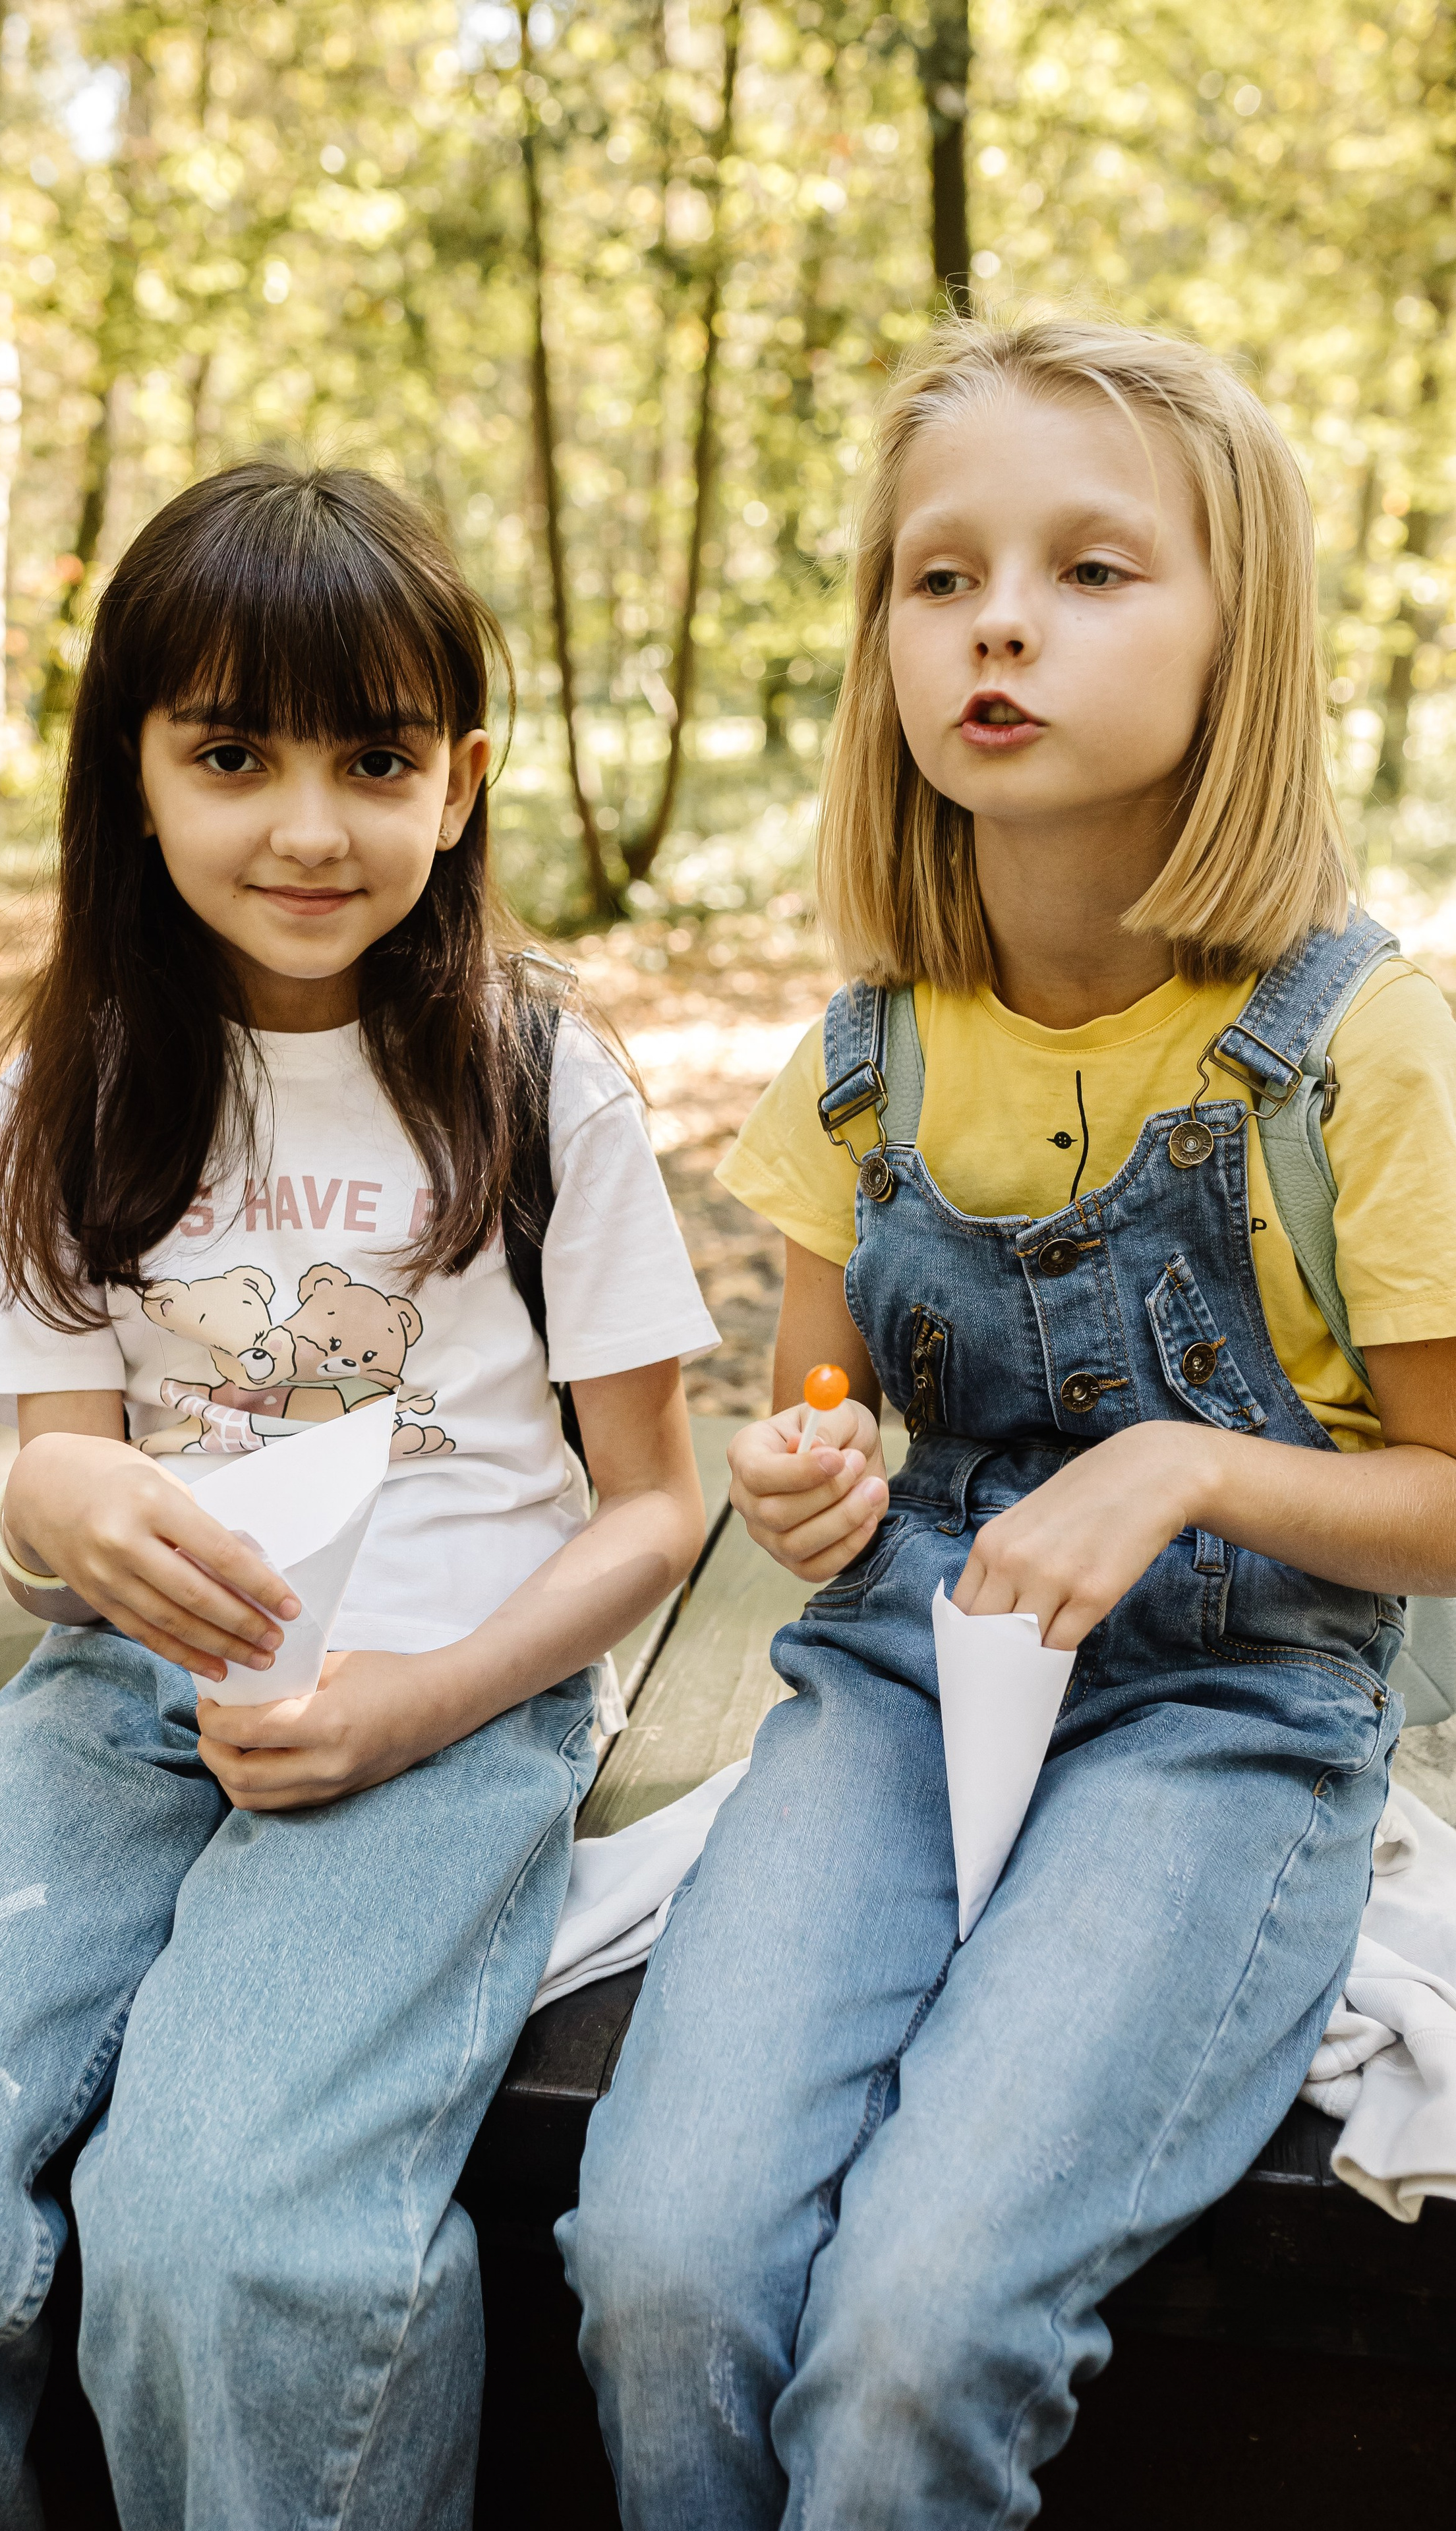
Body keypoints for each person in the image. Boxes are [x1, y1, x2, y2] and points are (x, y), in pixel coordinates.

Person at [562, 315, 1456, 2526]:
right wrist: (811, 1471)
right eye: (940, 576)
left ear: (1239, 633)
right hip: (896, 1695)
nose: (998, 628)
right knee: (663, 2261)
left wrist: (1183, 1464)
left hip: (1223, 1724)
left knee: (918, 2332)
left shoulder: (1365, 1048)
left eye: (1089, 571)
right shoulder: (864, 1057)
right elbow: (822, 1437)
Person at [0, 460, 716, 2530]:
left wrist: (427, 1700)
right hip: (124, 1711)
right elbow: (49, 1479)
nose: (307, 823)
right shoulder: (74, 1080)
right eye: (231, 752)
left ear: (460, 782)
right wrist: (72, 1518)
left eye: (373, 757)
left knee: (228, 2232)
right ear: (136, 776)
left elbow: (655, 1511)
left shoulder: (540, 1078)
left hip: (437, 1719)